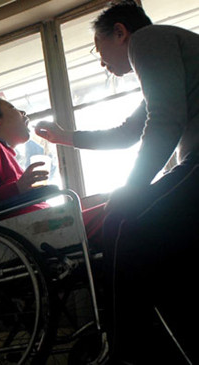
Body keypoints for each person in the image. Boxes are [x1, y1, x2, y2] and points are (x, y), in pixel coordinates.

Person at [35, 1, 199, 363]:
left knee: (120, 223)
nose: (101, 61)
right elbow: (129, 133)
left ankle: (123, 350)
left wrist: (132, 188)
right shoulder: (166, 54)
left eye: (99, 49)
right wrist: (67, 138)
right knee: (147, 238)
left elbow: (165, 122)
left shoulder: (148, 41)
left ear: (121, 33)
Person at [0, 97, 106, 243]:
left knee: (113, 203)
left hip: (40, 226)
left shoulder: (3, 153)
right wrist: (17, 188)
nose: (24, 113)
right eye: (14, 108)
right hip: (35, 231)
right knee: (120, 207)